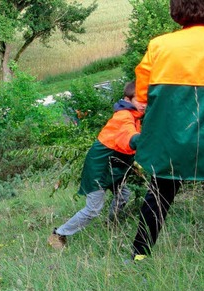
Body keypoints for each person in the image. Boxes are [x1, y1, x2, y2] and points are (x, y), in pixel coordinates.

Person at [129, 0, 204, 259]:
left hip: (171, 141)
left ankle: (140, 253)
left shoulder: (159, 46)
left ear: (176, 12)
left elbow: (141, 98)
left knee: (159, 194)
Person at [48, 81, 146, 249]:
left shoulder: (135, 116)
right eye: (139, 99)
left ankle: (111, 225)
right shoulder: (124, 116)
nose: (144, 104)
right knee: (93, 209)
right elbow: (128, 138)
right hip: (100, 167)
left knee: (123, 195)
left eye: (146, 100)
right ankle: (59, 234)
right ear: (127, 99)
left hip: (115, 166)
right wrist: (146, 139)